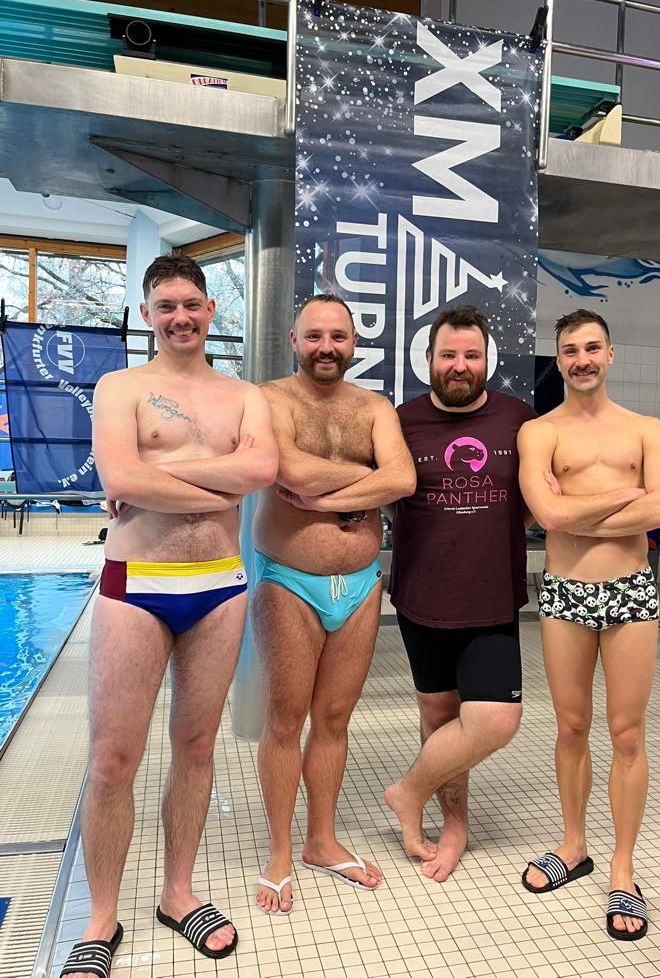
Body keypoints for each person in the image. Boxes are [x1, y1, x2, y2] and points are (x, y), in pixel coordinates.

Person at [59, 254, 278, 978]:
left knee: (196, 747)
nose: (180, 317)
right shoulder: (120, 386)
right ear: (147, 314)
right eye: (165, 306)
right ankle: (100, 918)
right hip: (137, 583)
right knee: (111, 760)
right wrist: (213, 482)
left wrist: (157, 477)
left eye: (191, 304)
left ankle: (178, 894)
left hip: (220, 585)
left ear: (211, 309)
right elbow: (119, 477)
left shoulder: (244, 396)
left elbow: (261, 473)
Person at [517, 309, 660, 942]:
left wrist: (574, 509)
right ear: (558, 360)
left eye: (592, 348)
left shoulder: (646, 429)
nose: (581, 360)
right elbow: (547, 517)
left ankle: (623, 869)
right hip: (565, 592)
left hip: (631, 589)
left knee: (627, 733)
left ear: (611, 354)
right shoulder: (539, 432)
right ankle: (574, 845)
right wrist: (626, 499)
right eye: (570, 350)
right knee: (571, 725)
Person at [251, 294, 416, 915]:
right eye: (315, 336)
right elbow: (288, 470)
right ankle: (279, 852)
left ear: (354, 343)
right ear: (295, 340)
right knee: (284, 719)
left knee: (335, 718)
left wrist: (322, 499)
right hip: (289, 580)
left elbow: (403, 479)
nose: (327, 347)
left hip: (362, 582)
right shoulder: (269, 399)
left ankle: (320, 840)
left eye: (338, 337)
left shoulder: (375, 408)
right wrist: (364, 480)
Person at [383, 305, 535, 882]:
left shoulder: (518, 419)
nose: (460, 365)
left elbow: (532, 499)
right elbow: (384, 495)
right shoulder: (401, 421)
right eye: (449, 354)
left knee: (495, 720)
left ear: (486, 360)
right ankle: (453, 824)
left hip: (491, 595)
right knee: (440, 716)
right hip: (422, 594)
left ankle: (408, 790)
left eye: (472, 355)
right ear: (428, 359)